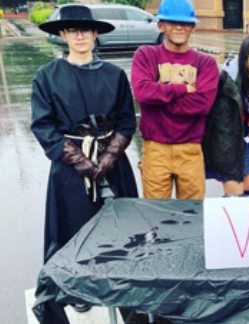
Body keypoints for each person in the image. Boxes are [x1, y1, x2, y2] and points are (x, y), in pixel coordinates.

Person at [31, 4, 138, 320]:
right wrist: (82, 163)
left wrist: (106, 159)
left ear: (95, 33)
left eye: (85, 29)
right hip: (70, 173)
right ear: (63, 34)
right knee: (74, 233)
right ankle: (78, 290)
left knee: (120, 233)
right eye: (72, 30)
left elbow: (126, 122)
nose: (80, 35)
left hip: (113, 168)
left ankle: (123, 288)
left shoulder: (115, 75)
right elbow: (44, 127)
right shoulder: (47, 77)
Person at [131, 0, 219, 200]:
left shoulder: (206, 62)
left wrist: (159, 99)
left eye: (185, 22)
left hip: (191, 149)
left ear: (193, 26)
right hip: (155, 149)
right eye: (172, 22)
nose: (179, 27)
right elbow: (143, 93)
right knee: (156, 214)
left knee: (192, 215)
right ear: (161, 25)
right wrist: (182, 89)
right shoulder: (146, 55)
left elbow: (203, 104)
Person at [204, 35, 249, 196]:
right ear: (244, 57)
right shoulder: (226, 80)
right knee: (234, 198)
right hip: (229, 146)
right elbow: (220, 121)